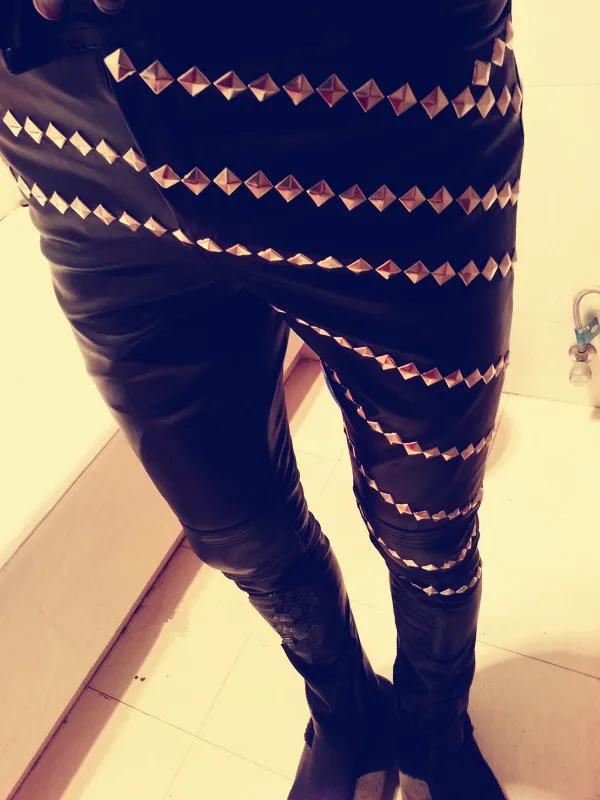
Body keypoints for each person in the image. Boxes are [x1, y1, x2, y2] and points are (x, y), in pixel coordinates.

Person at [0, 1, 523, 797]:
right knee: (236, 529)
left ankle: (435, 723)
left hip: (386, 104)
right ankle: (345, 711)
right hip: (68, 133)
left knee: (430, 526)